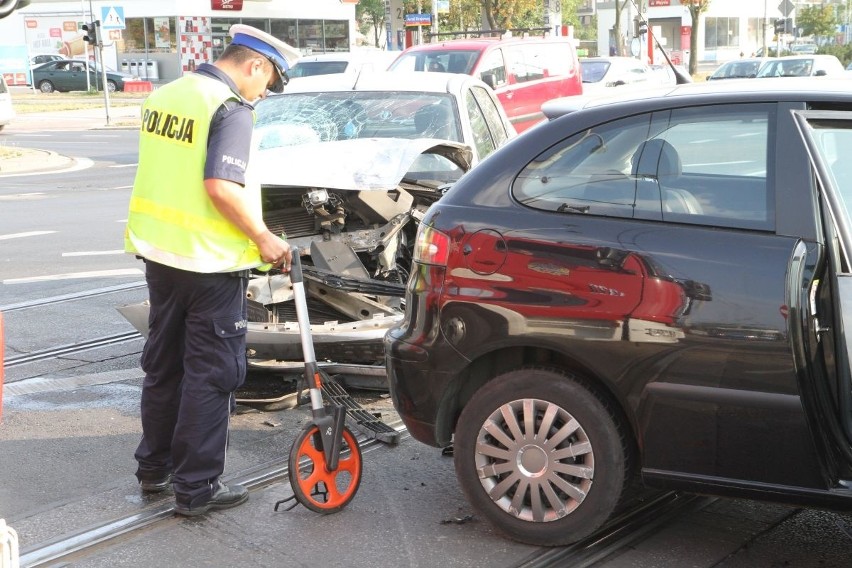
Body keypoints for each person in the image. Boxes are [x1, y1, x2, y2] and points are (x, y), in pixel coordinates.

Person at [124, 24, 300, 517]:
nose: (264, 94)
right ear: (254, 65)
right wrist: (264, 237)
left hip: (162, 255)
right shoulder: (230, 109)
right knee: (212, 374)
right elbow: (221, 187)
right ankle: (197, 488)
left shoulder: (167, 95)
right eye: (268, 83)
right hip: (211, 262)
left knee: (165, 366)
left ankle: (154, 470)